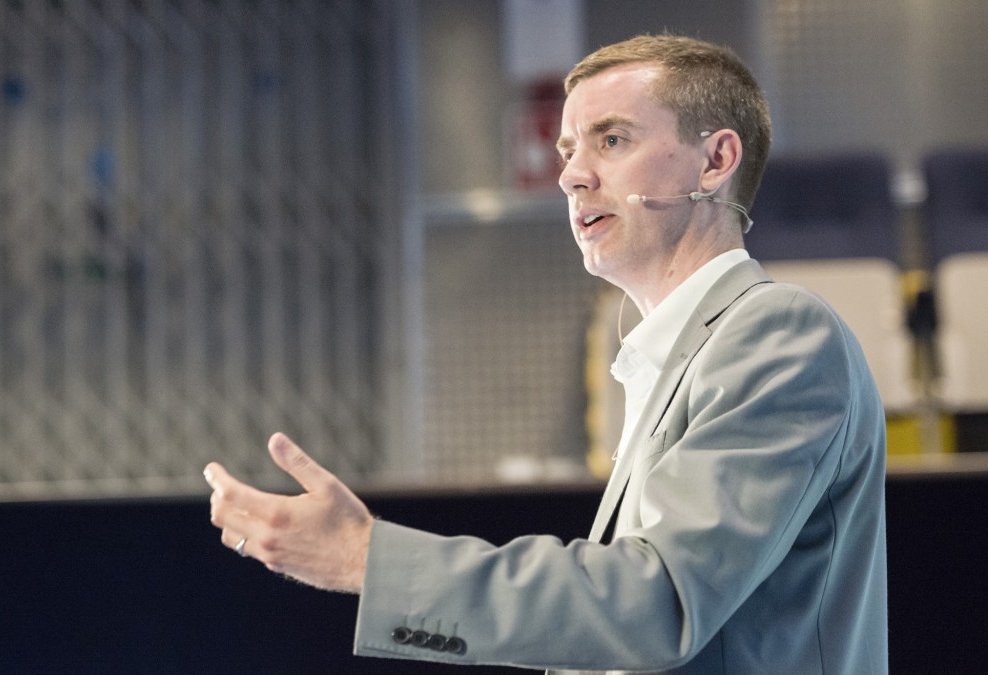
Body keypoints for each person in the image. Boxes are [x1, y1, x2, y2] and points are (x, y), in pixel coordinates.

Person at [204, 34, 888, 674]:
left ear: (715, 161)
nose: (571, 176)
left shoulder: (779, 332)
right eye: (567, 150)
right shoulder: (684, 355)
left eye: (611, 140)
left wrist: (367, 558)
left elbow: (658, 603)